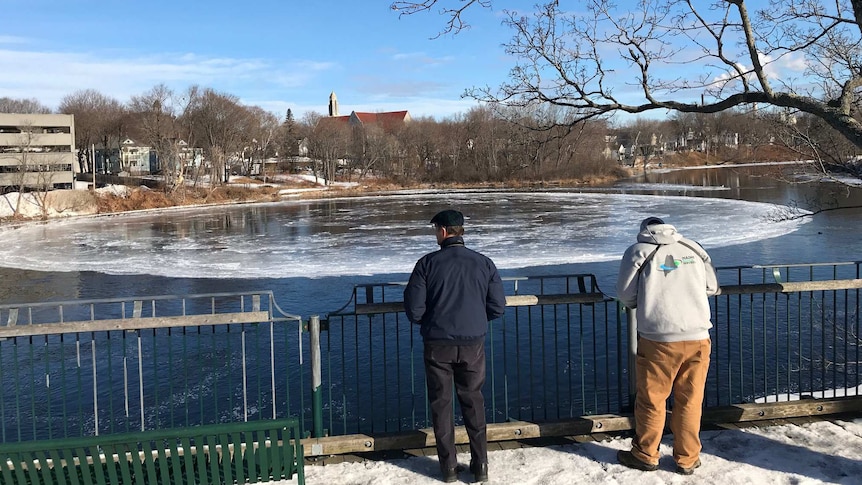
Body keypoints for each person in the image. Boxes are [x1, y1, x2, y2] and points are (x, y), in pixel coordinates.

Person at [404, 209, 507, 483]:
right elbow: (498, 307)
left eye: (435, 229)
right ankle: (480, 464)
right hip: (473, 343)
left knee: (442, 404)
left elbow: (414, 310)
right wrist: (473, 319)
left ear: (443, 231)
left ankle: (448, 468)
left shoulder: (427, 264)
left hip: (438, 344)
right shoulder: (484, 263)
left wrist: (434, 319)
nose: (435, 234)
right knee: (474, 401)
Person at [615, 216, 719, 476]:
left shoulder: (638, 251)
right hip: (698, 336)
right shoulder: (693, 247)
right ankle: (688, 458)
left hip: (659, 338)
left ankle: (646, 454)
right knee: (691, 400)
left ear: (643, 231)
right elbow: (712, 286)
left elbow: (626, 295)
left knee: (652, 399)